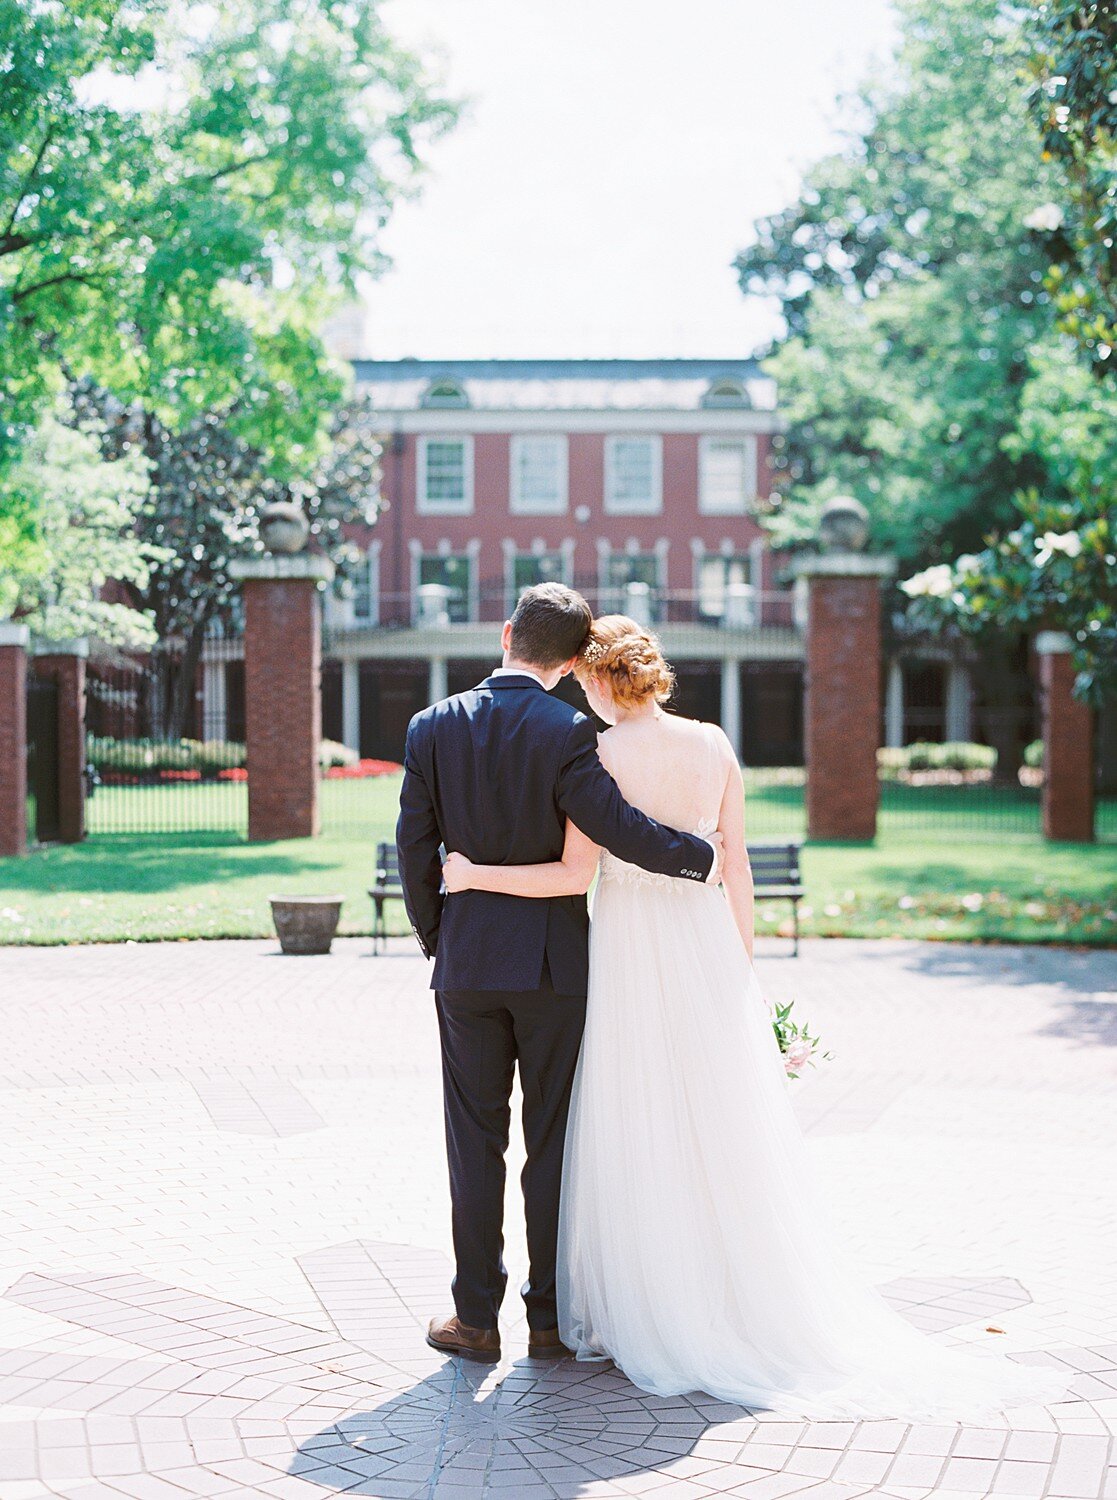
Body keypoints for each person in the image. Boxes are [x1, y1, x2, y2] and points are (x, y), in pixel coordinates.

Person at [441, 614, 1071, 1420]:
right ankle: (733, 1291)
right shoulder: (711, 744)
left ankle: (637, 1299)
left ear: (595, 679)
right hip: (705, 950)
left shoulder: (590, 750)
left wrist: (467, 873)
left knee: (633, 1121)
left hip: (632, 953)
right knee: (718, 1124)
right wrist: (740, 969)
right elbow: (734, 862)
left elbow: (573, 875)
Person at [395, 584, 720, 1366]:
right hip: (552, 970)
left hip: (468, 967)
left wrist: (442, 939)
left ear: (505, 633)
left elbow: (415, 848)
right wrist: (695, 855)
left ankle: (474, 1319)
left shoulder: (432, 726)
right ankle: (547, 1318)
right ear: (573, 660)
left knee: (473, 1146)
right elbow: (614, 829)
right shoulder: (572, 730)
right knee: (552, 1144)